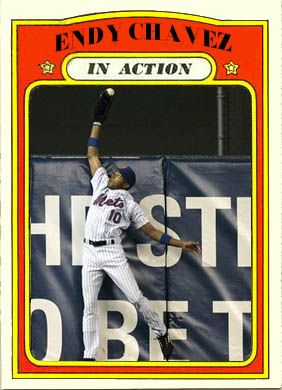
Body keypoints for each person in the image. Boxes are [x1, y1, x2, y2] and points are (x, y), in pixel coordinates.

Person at [82, 88, 200, 361]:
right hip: (89, 251)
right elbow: (91, 154)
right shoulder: (99, 184)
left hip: (112, 253)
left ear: (125, 181)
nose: (111, 174)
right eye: (113, 172)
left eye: (117, 174)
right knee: (88, 306)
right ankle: (89, 358)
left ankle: (160, 332)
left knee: (136, 298)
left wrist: (181, 243)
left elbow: (152, 232)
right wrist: (98, 121)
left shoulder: (130, 203)